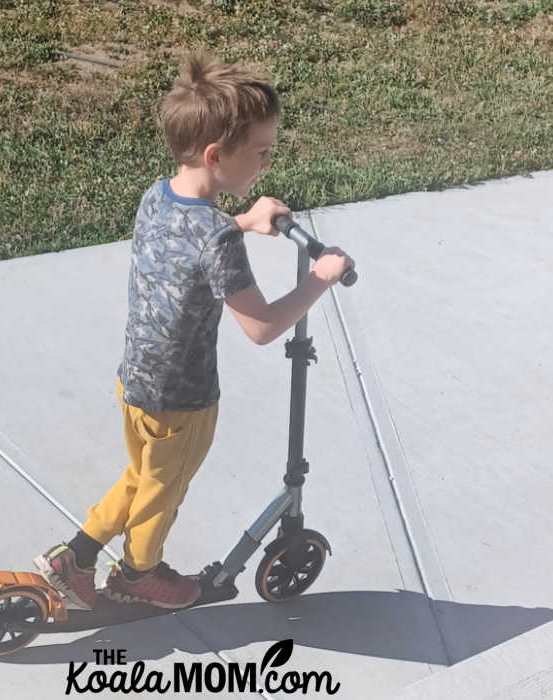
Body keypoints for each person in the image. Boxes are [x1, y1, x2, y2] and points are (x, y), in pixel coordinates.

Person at [34, 51, 353, 610]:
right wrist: (322, 278)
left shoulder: (157, 197)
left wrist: (246, 219)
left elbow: (190, 241)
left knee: (141, 475)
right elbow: (261, 326)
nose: (265, 164)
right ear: (215, 154)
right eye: (259, 152)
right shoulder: (217, 238)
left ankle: (76, 555)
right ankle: (138, 575)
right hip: (183, 398)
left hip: (134, 382)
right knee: (163, 490)